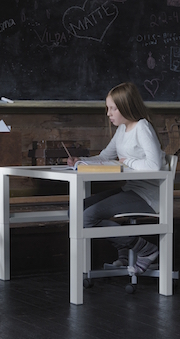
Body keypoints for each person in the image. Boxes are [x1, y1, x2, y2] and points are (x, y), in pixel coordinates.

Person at [67, 82, 166, 276]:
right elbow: (105, 156)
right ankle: (124, 249)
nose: (108, 113)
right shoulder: (122, 130)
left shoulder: (142, 127)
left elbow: (155, 166)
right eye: (108, 108)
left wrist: (128, 161)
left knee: (86, 217)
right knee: (75, 210)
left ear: (126, 106)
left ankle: (145, 250)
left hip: (149, 196)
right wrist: (81, 161)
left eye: (113, 108)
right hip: (132, 190)